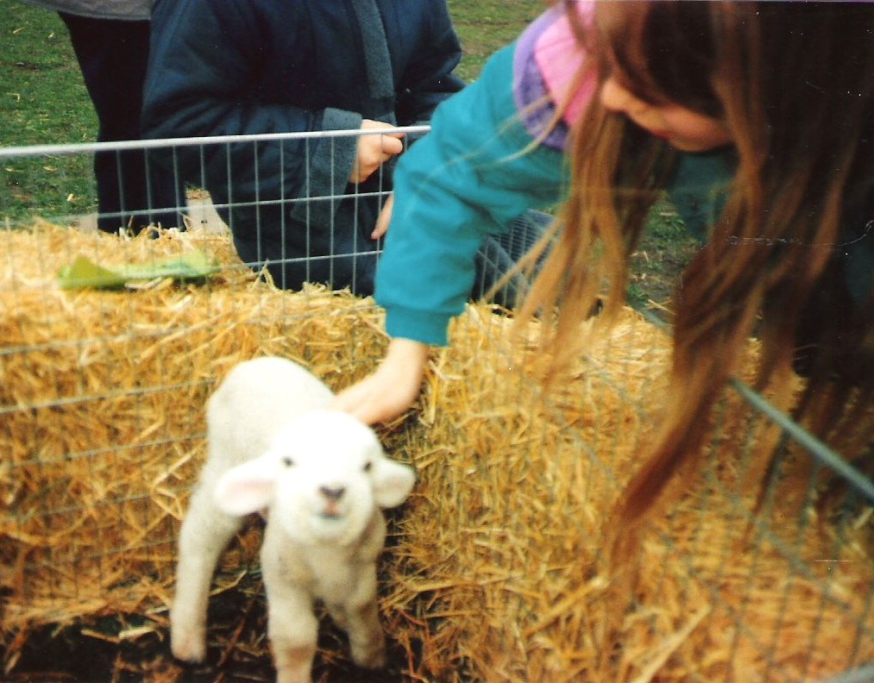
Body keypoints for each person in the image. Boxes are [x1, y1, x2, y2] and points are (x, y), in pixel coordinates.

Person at [332, 1, 874, 564]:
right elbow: (452, 174)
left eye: (654, 87)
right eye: (613, 69)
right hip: (755, 181)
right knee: (806, 303)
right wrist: (407, 350)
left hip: (826, 171)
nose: (614, 96)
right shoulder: (580, 62)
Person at [140, 0, 472, 297]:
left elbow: (436, 83)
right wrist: (332, 148)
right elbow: (179, 121)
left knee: (515, 278)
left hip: (422, 216)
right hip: (306, 248)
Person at [20, 0, 154, 234]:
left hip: (118, 11)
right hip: (119, 11)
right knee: (136, 123)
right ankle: (144, 238)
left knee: (134, 122)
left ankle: (141, 237)